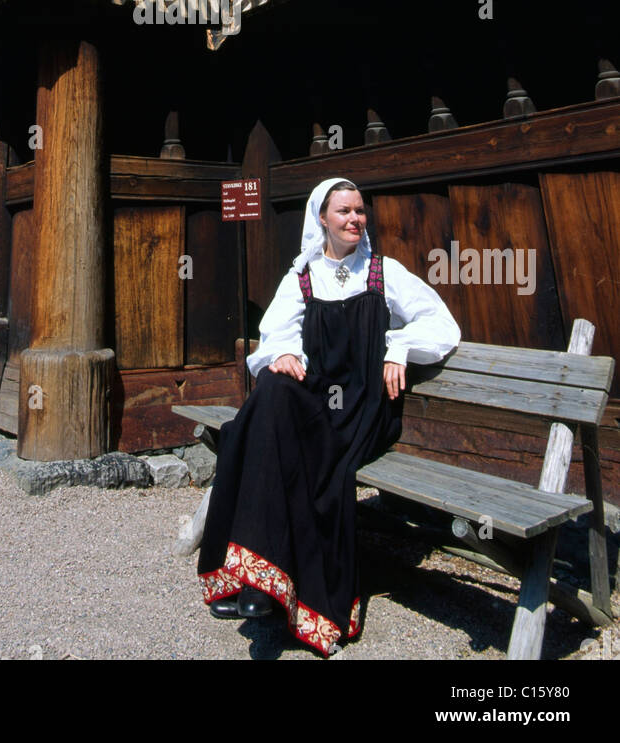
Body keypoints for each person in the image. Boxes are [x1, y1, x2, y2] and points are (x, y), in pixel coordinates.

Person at [197, 176, 461, 657]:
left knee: (258, 429)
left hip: (364, 408)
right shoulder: (302, 276)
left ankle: (260, 578)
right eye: (344, 212)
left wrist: (399, 347)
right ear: (322, 219)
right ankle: (261, 577)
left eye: (360, 211)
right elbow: (274, 335)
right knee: (272, 395)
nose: (355, 219)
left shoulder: (383, 272)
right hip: (320, 402)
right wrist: (281, 356)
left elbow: (442, 323)